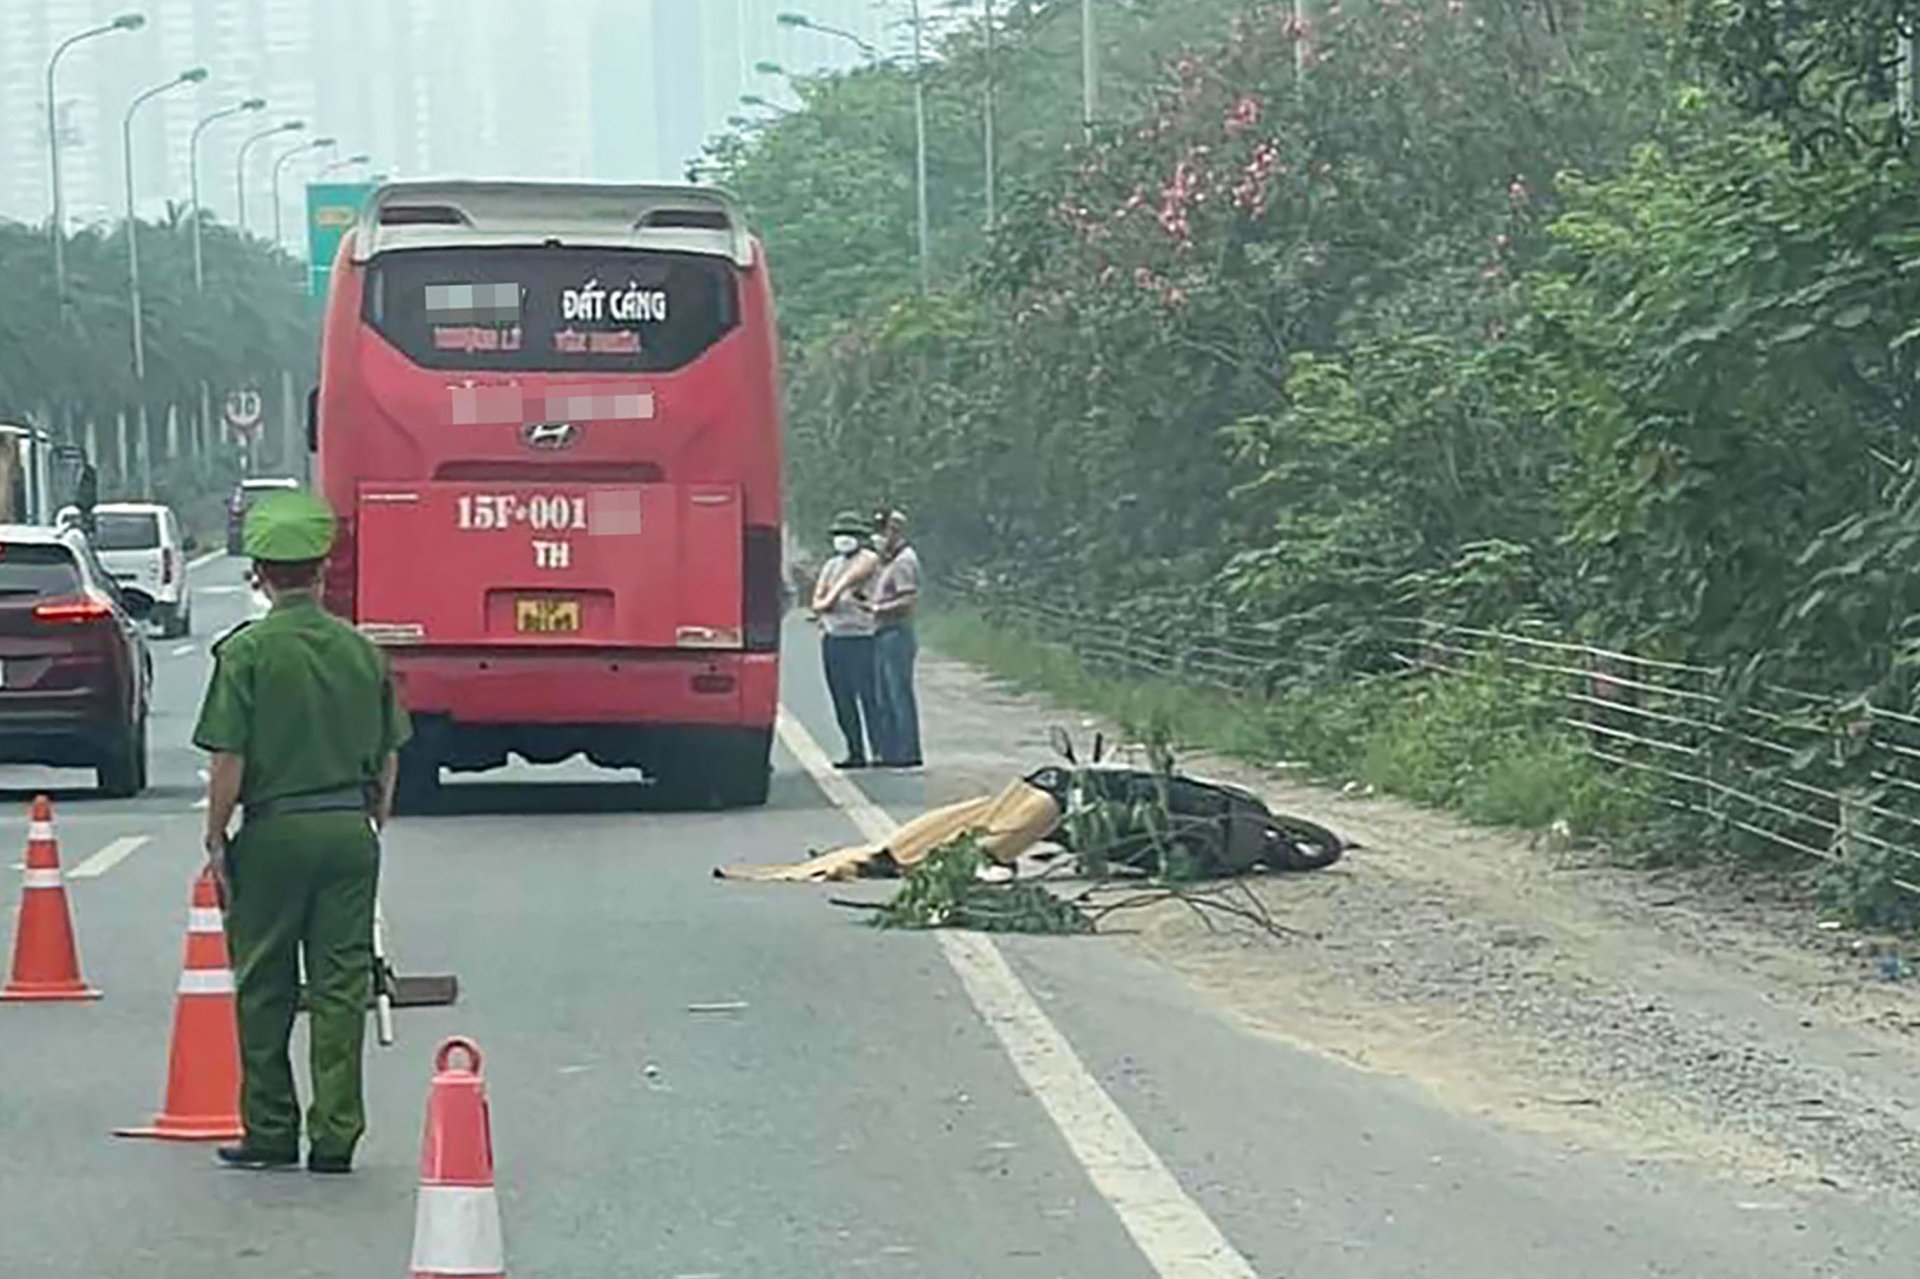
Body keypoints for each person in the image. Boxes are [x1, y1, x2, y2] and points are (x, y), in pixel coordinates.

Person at [193, 489, 411, 1174]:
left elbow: (228, 758)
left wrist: (216, 838)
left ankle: (270, 1126)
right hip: (349, 828)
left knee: (265, 983)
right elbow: (390, 754)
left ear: (259, 572)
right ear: (322, 569)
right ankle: (337, 1133)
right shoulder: (362, 651)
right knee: (342, 983)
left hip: (274, 832)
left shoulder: (245, 653)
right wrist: (370, 821)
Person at [811, 509, 881, 769]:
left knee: (870, 697)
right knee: (842, 698)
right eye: (840, 534)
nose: (844, 538)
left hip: (862, 637)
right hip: (834, 637)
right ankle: (855, 751)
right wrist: (827, 603)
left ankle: (880, 750)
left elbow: (844, 585)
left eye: (850, 534)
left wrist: (831, 599)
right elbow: (817, 602)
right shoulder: (831, 565)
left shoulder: (868, 559)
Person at [872, 509, 922, 769]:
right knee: (884, 696)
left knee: (898, 694)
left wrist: (879, 609)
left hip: (896, 633)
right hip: (882, 632)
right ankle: (890, 751)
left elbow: (908, 599)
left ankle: (907, 751)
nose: (880, 537)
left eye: (886, 531)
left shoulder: (904, 561)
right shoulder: (887, 561)